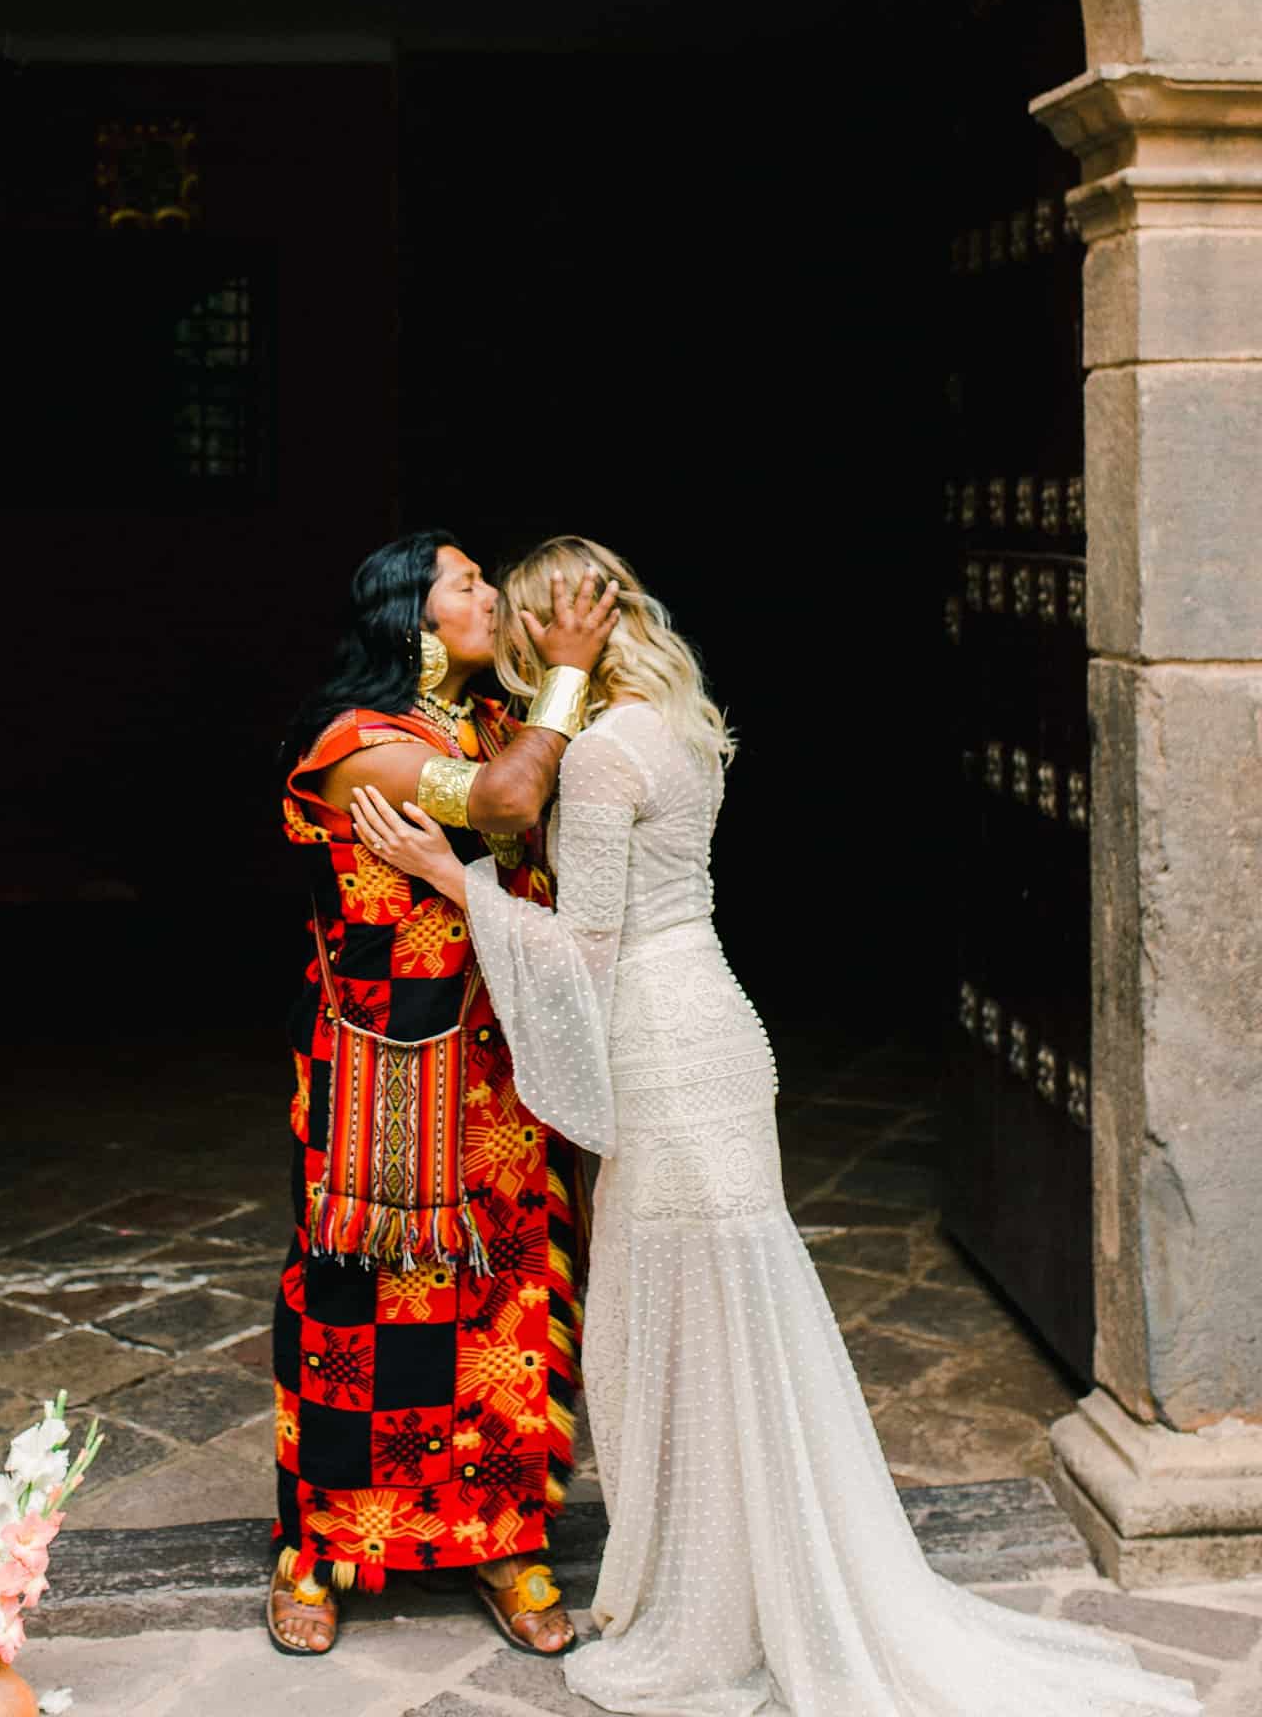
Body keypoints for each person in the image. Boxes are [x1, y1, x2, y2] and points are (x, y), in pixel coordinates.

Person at [352, 534, 1200, 1717]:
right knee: (732, 1320)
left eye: (520, 621)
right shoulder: (680, 728)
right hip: (716, 1028)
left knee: (679, 1326)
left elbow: (584, 954)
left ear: (558, 632)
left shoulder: (598, 758)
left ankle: (713, 1603)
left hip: (660, 1043)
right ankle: (759, 1573)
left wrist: (456, 882)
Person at [268, 529, 618, 1658]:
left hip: (495, 1079)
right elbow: (510, 806)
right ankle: (321, 1547)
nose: (490, 598)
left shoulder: (497, 724)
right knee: (358, 1319)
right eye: (467, 584)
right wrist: (567, 667)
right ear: (407, 615)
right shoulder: (356, 743)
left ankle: (506, 1541)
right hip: (375, 1073)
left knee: (506, 1307)